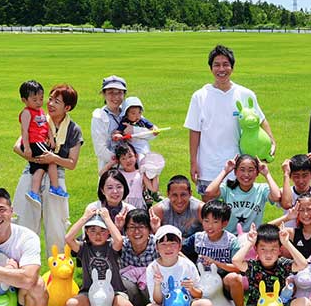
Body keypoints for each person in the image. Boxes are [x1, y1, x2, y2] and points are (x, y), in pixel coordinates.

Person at [185, 45, 276, 195]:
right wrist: (193, 162)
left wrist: (272, 141)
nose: (221, 69)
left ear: (232, 67)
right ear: (211, 68)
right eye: (217, 65)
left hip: (239, 167)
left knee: (237, 210)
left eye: (226, 64)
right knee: (210, 213)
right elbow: (195, 131)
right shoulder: (199, 96)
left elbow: (260, 120)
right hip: (208, 166)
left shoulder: (246, 94)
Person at [12, 83, 83, 252]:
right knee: (26, 225)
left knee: (56, 228)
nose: (50, 103)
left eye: (56, 101)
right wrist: (36, 159)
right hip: (32, 171)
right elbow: (17, 146)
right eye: (50, 99)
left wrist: (53, 159)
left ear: (67, 107)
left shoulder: (73, 129)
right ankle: (25, 272)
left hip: (55, 176)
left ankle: (58, 274)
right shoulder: (40, 119)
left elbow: (72, 163)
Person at [62, 207, 141, 306]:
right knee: (70, 305)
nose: (97, 235)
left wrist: (107, 219)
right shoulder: (84, 249)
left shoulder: (111, 247)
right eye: (92, 231)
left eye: (102, 231)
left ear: (108, 232)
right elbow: (68, 238)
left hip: (114, 292)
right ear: (86, 231)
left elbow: (118, 240)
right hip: (88, 293)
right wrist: (85, 218)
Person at [182, 200, 243, 306]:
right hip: (200, 280)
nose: (210, 226)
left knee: (235, 278)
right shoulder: (197, 238)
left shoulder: (231, 241)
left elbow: (238, 268)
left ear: (224, 223)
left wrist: (216, 263)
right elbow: (178, 251)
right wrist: (189, 264)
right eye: (206, 221)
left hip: (222, 281)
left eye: (215, 222)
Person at [202, 154, 281, 233]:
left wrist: (267, 174)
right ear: (235, 172)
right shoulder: (227, 188)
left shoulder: (262, 189)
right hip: (229, 237)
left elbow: (277, 196)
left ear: (257, 172)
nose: (246, 174)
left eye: (250, 170)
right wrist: (225, 171)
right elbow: (209, 192)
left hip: (252, 237)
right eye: (242, 170)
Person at [18, 80, 66, 204]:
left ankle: (34, 192)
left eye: (41, 98)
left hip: (40, 141)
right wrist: (27, 148)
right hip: (34, 142)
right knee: (52, 160)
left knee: (40, 168)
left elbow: (46, 127)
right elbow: (24, 131)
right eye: (35, 100)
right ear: (24, 100)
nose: (39, 102)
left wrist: (50, 138)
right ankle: (55, 187)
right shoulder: (27, 113)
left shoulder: (41, 111)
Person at [118, 96, 164, 205]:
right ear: (126, 113)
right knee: (142, 169)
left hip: (145, 150)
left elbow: (153, 128)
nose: (137, 116)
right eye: (133, 113)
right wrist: (117, 135)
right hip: (135, 151)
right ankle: (147, 191)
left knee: (151, 166)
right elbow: (117, 131)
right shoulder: (124, 123)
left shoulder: (142, 120)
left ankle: (153, 190)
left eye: (139, 113)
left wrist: (154, 128)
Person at [119, 208, 160, 306]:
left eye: (141, 227)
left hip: (152, 291)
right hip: (130, 290)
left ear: (149, 229)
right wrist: (117, 228)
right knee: (125, 284)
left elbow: (176, 253)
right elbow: (102, 244)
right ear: (126, 230)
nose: (136, 232)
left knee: (151, 281)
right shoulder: (121, 244)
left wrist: (157, 231)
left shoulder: (157, 244)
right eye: (132, 227)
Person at [91, 75, 127, 172]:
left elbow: (146, 134)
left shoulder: (130, 112)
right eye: (111, 92)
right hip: (111, 170)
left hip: (132, 168)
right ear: (104, 94)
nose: (115, 97)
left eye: (119, 92)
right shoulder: (99, 116)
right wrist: (123, 161)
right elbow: (100, 150)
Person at [104, 142, 146, 210]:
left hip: (138, 205)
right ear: (119, 161)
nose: (128, 160)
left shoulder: (141, 173)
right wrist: (111, 163)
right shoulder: (119, 174)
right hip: (123, 204)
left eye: (130, 156)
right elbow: (102, 174)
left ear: (136, 156)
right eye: (123, 158)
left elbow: (152, 187)